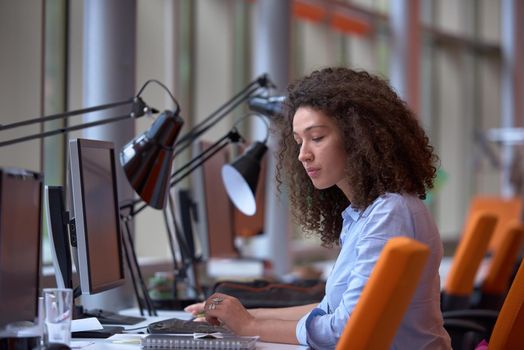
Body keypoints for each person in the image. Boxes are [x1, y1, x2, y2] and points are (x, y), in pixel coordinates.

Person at [185, 67, 451, 349]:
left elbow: (346, 328)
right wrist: (244, 316)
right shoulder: (366, 213)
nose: (303, 154)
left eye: (317, 137)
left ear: (359, 136)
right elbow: (330, 309)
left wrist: (249, 326)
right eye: (299, 141)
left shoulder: (390, 213)